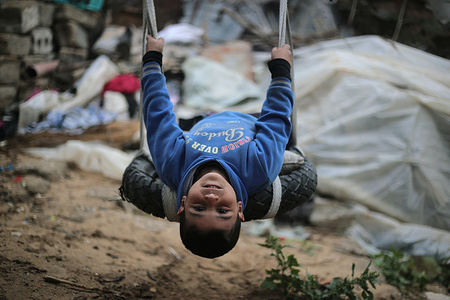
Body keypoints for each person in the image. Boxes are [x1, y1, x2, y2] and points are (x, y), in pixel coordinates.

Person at [142, 35, 294, 258]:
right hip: (252, 118)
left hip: (202, 120)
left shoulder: (172, 166)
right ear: (240, 209)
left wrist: (152, 59)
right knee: (285, 132)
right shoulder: (258, 168)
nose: (211, 199)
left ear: (182, 204)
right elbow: (276, 118)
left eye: (199, 208)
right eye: (223, 211)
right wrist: (281, 68)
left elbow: (157, 116)